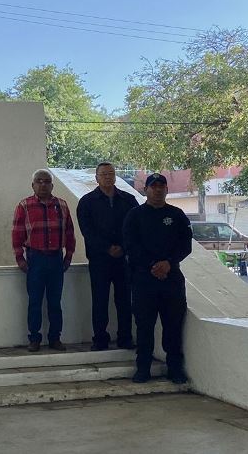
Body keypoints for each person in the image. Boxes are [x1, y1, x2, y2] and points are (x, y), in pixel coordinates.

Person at [122, 173, 192, 385]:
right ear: (146, 190)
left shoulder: (177, 215)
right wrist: (152, 265)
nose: (158, 189)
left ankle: (175, 369)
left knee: (173, 326)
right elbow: (130, 246)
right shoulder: (134, 215)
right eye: (153, 186)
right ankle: (143, 368)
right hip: (144, 280)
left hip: (171, 279)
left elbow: (185, 245)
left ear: (166, 190)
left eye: (161, 186)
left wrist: (168, 263)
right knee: (144, 327)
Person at [76, 162, 139, 351]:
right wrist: (106, 248)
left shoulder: (128, 200)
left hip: (123, 260)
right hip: (99, 260)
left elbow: (134, 228)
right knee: (100, 300)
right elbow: (87, 231)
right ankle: (100, 339)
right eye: (104, 174)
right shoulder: (86, 202)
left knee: (124, 300)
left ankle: (125, 338)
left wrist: (123, 248)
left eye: (111, 174)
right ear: (96, 178)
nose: (108, 177)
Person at [11, 169, 76, 352]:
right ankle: (34, 338)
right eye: (39, 181)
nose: (43, 184)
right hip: (35, 259)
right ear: (33, 185)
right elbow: (17, 234)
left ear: (52, 185)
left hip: (56, 259)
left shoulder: (62, 205)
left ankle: (55, 338)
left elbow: (70, 233)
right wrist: (20, 258)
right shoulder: (24, 205)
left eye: (46, 181)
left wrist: (69, 256)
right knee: (35, 302)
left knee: (55, 302)